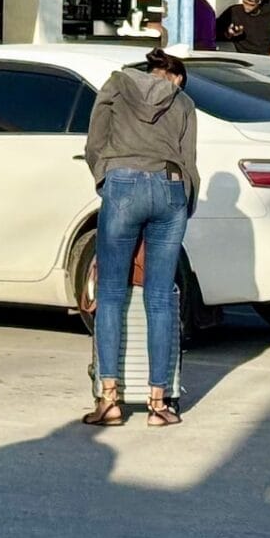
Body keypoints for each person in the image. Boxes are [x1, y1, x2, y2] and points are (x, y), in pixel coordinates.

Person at [81, 48, 199, 429]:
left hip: (124, 181)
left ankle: (110, 401)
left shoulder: (116, 85)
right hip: (170, 185)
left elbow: (95, 141)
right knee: (161, 298)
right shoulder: (183, 101)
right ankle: (159, 403)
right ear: (175, 76)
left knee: (112, 293)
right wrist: (185, 199)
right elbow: (188, 157)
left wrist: (107, 176)